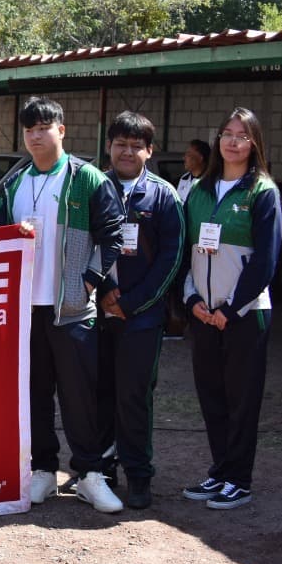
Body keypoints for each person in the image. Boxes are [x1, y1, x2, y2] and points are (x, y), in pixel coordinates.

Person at [4, 96, 125, 513]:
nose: (36, 136)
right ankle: (42, 471)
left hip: (71, 309)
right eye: (30, 129)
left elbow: (113, 235)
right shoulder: (15, 181)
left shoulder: (86, 178)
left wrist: (88, 282)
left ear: (62, 130)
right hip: (25, 310)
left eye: (44, 127)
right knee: (35, 394)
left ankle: (90, 474)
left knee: (79, 395)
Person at [181, 108, 282, 511]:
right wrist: (192, 301)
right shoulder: (200, 191)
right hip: (204, 315)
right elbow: (187, 254)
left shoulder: (262, 192)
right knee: (212, 396)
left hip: (245, 315)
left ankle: (239, 479)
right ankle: (220, 471)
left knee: (242, 399)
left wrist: (231, 308)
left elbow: (265, 262)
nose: (233, 141)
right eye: (226, 133)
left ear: (254, 143)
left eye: (242, 135)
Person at [92, 112, 184, 511]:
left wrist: (129, 302)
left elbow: (172, 258)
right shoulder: (94, 187)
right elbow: (79, 242)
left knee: (133, 396)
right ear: (109, 146)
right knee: (98, 394)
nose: (127, 152)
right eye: (120, 144)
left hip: (142, 316)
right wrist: (107, 292)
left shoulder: (164, 195)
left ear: (149, 150)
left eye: (136, 145)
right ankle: (102, 471)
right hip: (95, 310)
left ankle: (138, 474)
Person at [176, 139, 209, 204]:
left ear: (200, 158)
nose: (184, 158)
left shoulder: (209, 182)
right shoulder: (184, 178)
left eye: (188, 154)